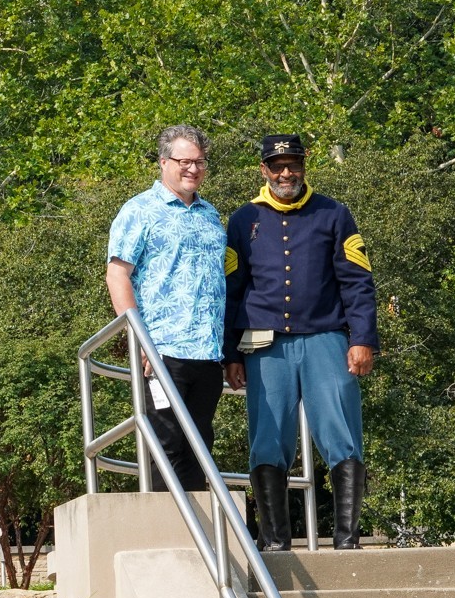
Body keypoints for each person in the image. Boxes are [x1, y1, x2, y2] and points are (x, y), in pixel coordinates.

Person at [223, 135, 378, 551]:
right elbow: (231, 289)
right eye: (277, 166)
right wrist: (230, 354)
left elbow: (358, 283)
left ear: (304, 166)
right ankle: (276, 542)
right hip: (263, 344)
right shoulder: (242, 220)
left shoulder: (334, 213)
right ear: (264, 170)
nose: (286, 173)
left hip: (325, 338)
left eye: (293, 164)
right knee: (268, 437)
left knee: (340, 432)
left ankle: (347, 539)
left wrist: (362, 338)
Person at [105, 124, 230, 490]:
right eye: (184, 161)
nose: (193, 169)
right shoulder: (139, 210)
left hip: (207, 353)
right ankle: (170, 537)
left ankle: (198, 543)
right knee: (168, 444)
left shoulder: (211, 215)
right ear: (164, 162)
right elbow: (117, 276)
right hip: (161, 351)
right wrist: (140, 340)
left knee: (199, 445)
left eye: (200, 162)